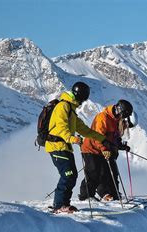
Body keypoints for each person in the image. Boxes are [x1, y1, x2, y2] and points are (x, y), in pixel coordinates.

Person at [45, 82, 106, 213]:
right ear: (79, 96)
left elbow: (84, 130)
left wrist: (103, 139)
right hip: (56, 146)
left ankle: (63, 204)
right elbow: (61, 127)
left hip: (64, 147)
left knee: (71, 175)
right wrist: (72, 138)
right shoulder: (63, 106)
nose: (83, 102)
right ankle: (60, 205)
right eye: (83, 99)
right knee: (68, 175)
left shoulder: (71, 110)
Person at [79, 99, 133, 202]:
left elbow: (114, 137)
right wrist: (104, 149)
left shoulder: (115, 119)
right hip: (91, 149)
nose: (122, 118)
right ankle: (86, 196)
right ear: (118, 110)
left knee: (108, 172)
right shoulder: (103, 117)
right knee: (93, 172)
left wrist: (121, 146)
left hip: (103, 150)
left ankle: (112, 194)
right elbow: (98, 136)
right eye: (122, 115)